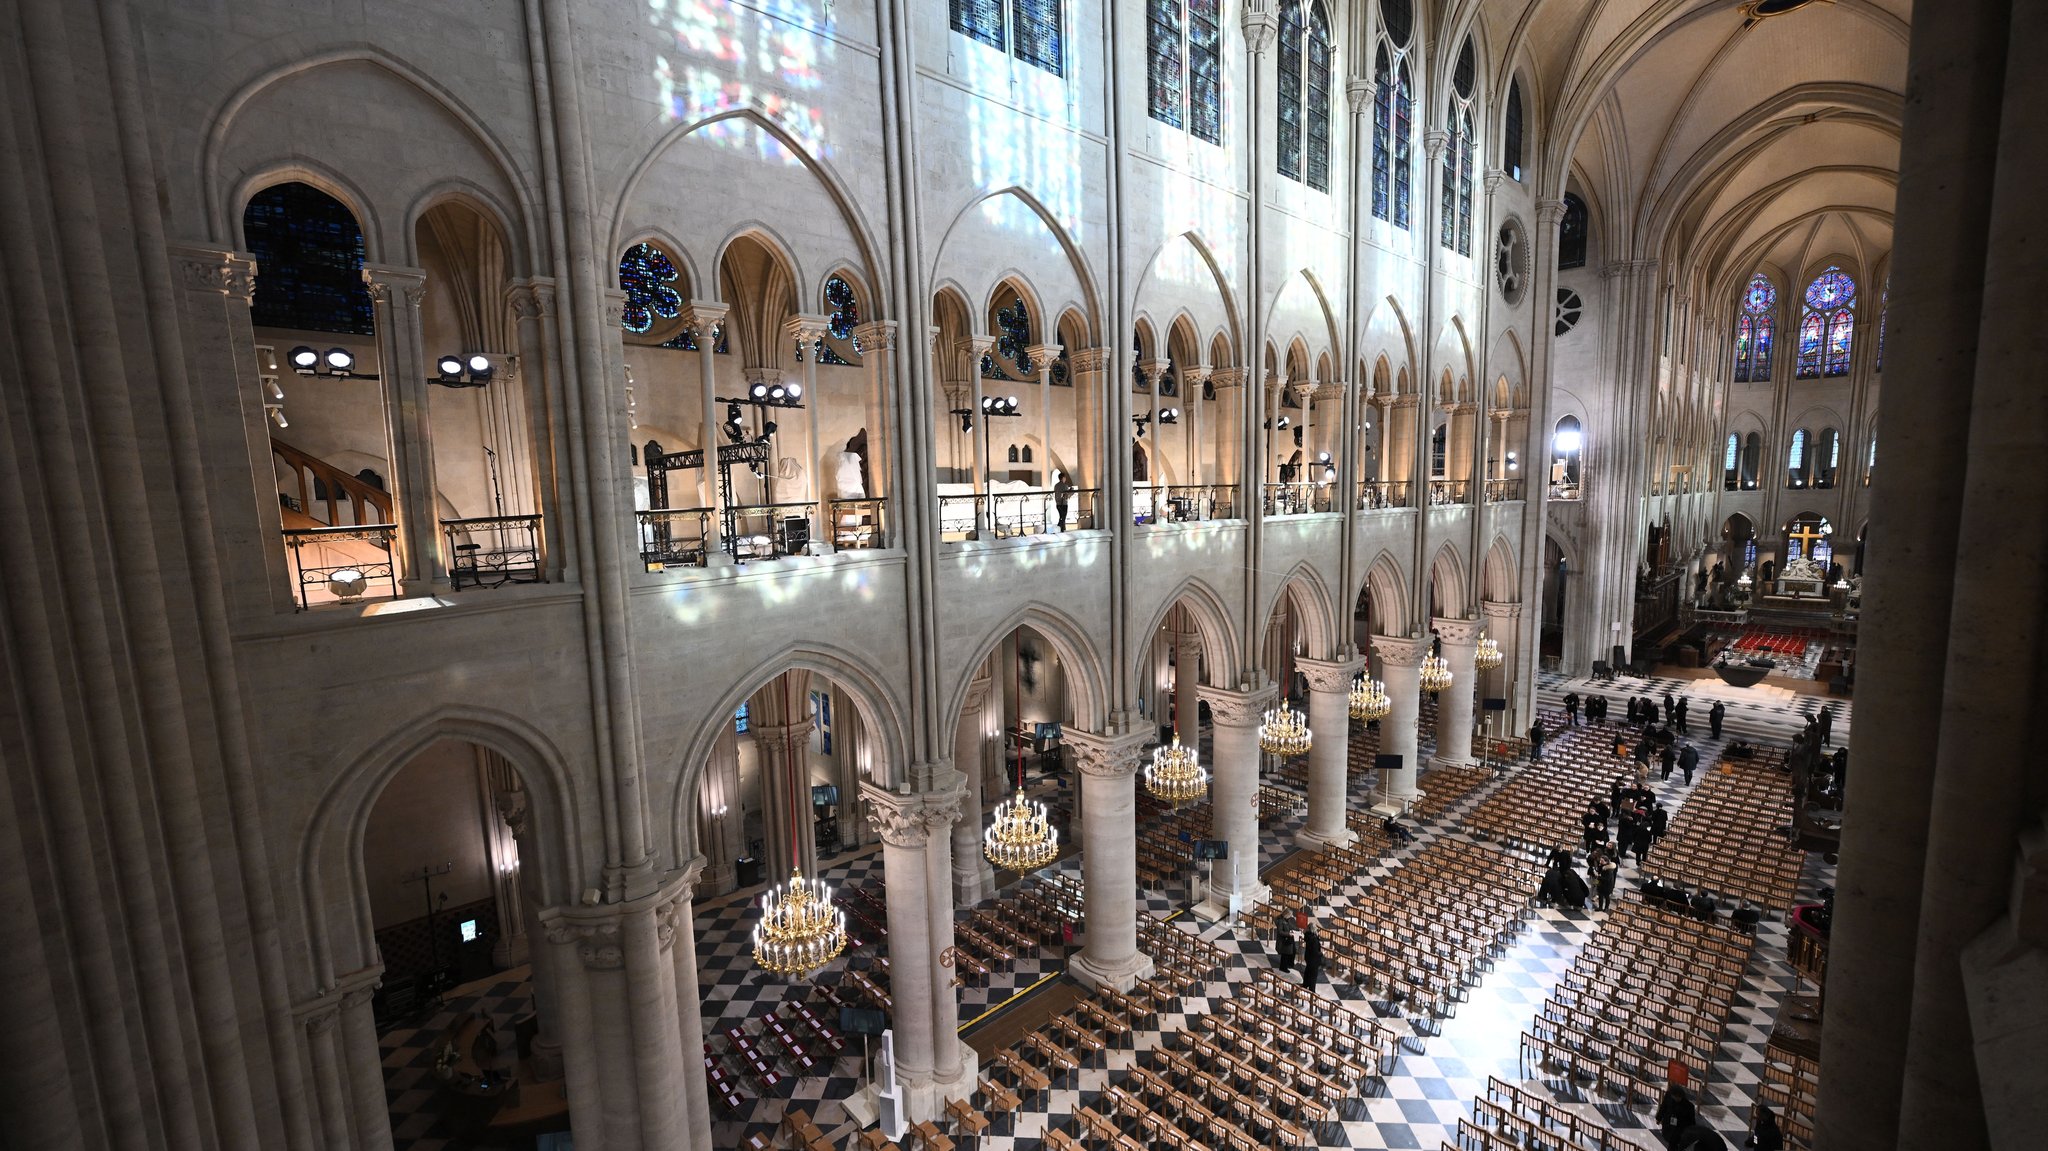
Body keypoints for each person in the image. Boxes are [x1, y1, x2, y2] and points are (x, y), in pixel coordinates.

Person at [1592, 847, 1619, 911]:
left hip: (1607, 885)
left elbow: (1607, 879)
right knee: (1600, 895)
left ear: (1606, 861)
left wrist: (1598, 876)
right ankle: (1600, 907)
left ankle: (1606, 908)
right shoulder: (1601, 866)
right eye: (1600, 860)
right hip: (1601, 883)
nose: (1600, 861)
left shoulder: (1609, 869)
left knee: (1607, 896)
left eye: (1602, 861)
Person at [1301, 923, 1324, 992]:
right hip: (1313, 959)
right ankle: (1312, 990)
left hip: (1308, 956)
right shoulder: (1314, 939)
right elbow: (1315, 952)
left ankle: (1305, 985)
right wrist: (1322, 953)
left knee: (1308, 971)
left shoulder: (1307, 935)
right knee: (1313, 975)